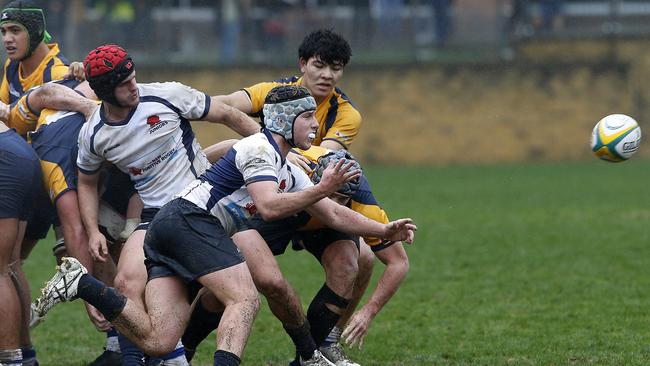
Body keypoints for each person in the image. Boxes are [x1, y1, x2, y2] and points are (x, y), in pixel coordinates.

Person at [34, 85, 416, 366]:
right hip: (189, 221)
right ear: (284, 121)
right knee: (245, 298)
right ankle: (307, 354)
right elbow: (267, 207)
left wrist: (383, 232)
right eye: (306, 117)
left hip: (171, 225)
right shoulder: (260, 149)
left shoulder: (286, 167)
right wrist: (324, 188)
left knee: (159, 339)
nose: (315, 124)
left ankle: (79, 283)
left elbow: (332, 215)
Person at [31, 43, 261, 366]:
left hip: (197, 202)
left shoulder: (166, 95)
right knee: (127, 285)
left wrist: (276, 155)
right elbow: (85, 181)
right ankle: (112, 328)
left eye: (134, 78)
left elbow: (226, 113)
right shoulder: (94, 133)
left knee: (250, 289)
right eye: (124, 84)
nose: (134, 87)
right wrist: (93, 230)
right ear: (105, 92)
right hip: (155, 218)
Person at [182, 147, 410, 366]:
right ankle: (185, 350)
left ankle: (307, 358)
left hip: (321, 221)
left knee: (348, 266)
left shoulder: (360, 198)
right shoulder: (290, 164)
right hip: (276, 212)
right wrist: (190, 164)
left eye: (342, 199)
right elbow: (239, 145)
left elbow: (398, 262)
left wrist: (368, 313)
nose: (335, 203)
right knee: (230, 288)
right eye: (331, 195)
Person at [213, 28, 359, 170]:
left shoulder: (347, 114)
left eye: (335, 68)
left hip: (307, 179)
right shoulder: (275, 93)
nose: (327, 75)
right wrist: (192, 101)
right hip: (267, 168)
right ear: (303, 64)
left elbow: (322, 160)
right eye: (319, 66)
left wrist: (280, 150)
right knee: (229, 147)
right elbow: (224, 104)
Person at [0, 121, 42, 366]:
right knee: (11, 264)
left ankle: (8, 360)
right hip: (19, 152)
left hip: (4, 158)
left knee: (0, 269)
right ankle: (26, 357)